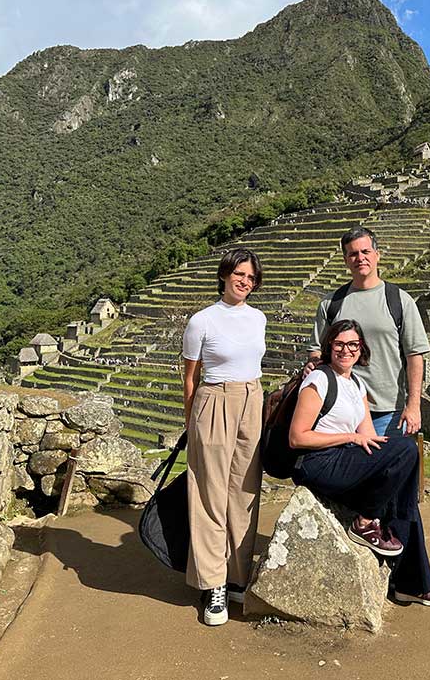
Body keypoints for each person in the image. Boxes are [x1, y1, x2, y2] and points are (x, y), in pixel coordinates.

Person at [290, 319, 430, 607]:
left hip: (344, 461)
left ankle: (411, 585)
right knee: (405, 450)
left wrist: (393, 469)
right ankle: (364, 522)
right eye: (339, 344)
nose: (346, 350)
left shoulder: (357, 384)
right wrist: (349, 437)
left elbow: (370, 437)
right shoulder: (318, 380)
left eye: (353, 344)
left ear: (361, 348)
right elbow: (298, 437)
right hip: (318, 463)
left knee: (402, 490)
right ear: (329, 346)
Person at [182, 248, 266, 627]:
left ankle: (238, 576)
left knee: (245, 491)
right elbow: (190, 378)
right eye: (239, 274)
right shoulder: (202, 321)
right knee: (210, 493)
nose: (244, 281)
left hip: (252, 398)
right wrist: (192, 424)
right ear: (224, 275)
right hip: (215, 399)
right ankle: (213, 582)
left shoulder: (259, 319)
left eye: (250, 277)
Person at [306, 226, 430, 438]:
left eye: (365, 252)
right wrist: (314, 362)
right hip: (339, 410)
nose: (360, 258)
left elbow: (414, 356)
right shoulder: (331, 304)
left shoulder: (400, 301)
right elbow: (316, 349)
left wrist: (414, 405)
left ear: (377, 255)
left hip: (387, 411)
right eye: (353, 254)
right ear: (345, 260)